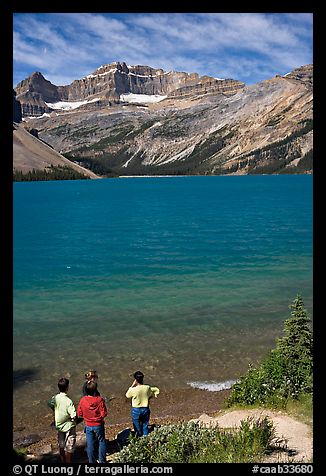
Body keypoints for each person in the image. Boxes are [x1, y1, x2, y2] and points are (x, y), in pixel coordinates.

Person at [47, 377, 77, 463]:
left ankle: (62, 461)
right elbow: (73, 415)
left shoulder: (55, 397)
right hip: (68, 426)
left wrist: (54, 408)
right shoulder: (69, 401)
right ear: (67, 387)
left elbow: (49, 403)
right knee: (69, 447)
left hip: (59, 425)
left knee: (61, 445)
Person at [77, 381, 107, 463]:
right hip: (98, 424)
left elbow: (79, 414)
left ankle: (91, 461)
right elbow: (104, 414)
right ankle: (102, 461)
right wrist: (99, 417)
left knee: (90, 444)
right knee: (101, 441)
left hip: (88, 425)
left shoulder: (82, 400)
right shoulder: (100, 400)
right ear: (95, 390)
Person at [125, 370, 160, 437]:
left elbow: (127, 395)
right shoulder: (147, 388)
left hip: (136, 410)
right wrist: (151, 396)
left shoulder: (133, 390)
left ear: (135, 380)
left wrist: (132, 385)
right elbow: (156, 390)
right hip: (145, 409)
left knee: (137, 428)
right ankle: (145, 438)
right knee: (145, 425)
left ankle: (139, 438)